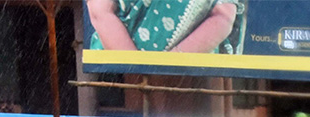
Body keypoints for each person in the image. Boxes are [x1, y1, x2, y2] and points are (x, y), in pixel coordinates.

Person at [87, 0, 246, 54]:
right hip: (116, 72)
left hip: (191, 77)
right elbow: (100, 12)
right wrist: (136, 69)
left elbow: (223, 16)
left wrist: (172, 63)